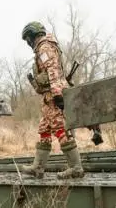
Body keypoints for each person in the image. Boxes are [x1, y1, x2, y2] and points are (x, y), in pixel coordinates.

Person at [19, 21, 84, 179]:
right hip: (48, 97)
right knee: (44, 129)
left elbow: (52, 70)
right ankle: (38, 168)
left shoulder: (44, 47)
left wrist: (57, 94)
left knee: (61, 129)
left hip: (53, 95)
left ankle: (76, 168)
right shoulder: (44, 46)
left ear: (33, 35)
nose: (28, 42)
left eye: (28, 38)